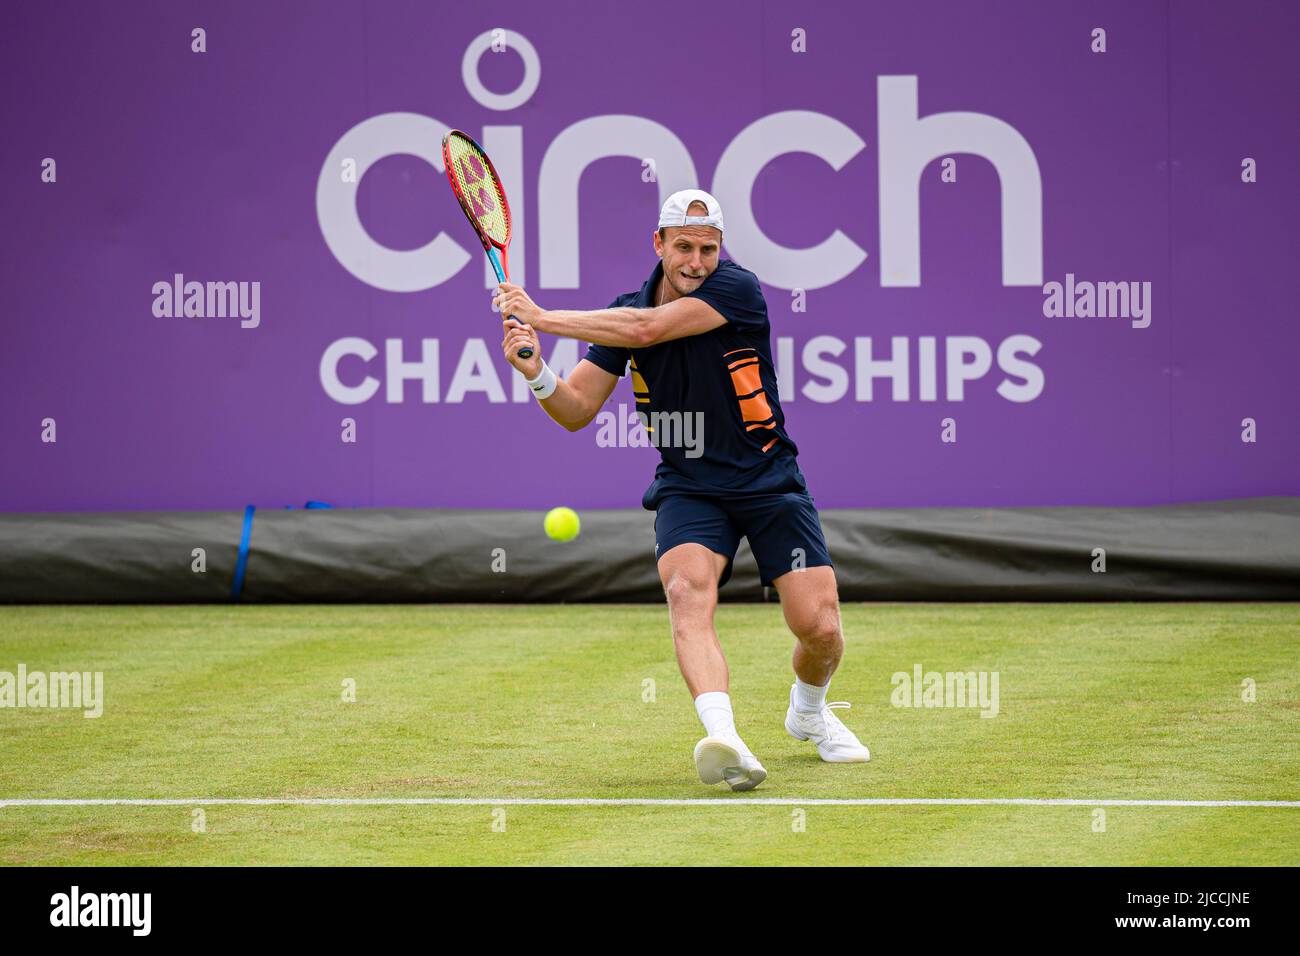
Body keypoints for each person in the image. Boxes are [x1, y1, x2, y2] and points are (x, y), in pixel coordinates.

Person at [493, 189, 869, 790]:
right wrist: (537, 371)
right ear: (659, 244)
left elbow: (645, 330)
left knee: (819, 626)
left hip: (769, 479)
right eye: (685, 247)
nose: (697, 261)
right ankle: (724, 736)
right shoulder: (623, 311)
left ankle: (809, 711)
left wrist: (541, 316)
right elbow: (576, 410)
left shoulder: (735, 290)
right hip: (689, 485)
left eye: (708, 249)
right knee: (686, 591)